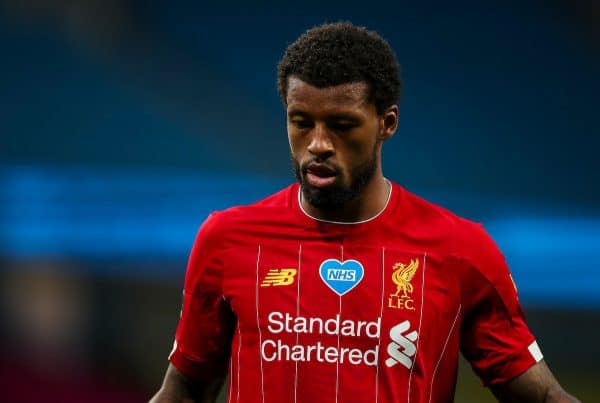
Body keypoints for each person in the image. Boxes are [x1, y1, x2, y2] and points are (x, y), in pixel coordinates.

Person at [150, 22, 578, 403]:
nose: (318, 143)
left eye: (341, 125)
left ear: (387, 122)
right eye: (301, 122)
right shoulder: (228, 239)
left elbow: (540, 396)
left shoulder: (460, 250)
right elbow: (185, 389)